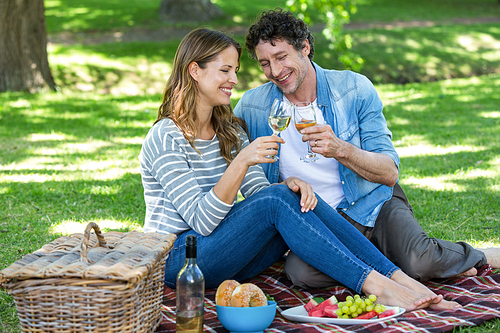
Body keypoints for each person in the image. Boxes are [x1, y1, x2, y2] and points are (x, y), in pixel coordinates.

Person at [138, 28, 459, 311]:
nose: (234, 80)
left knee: (290, 194)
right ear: (194, 70)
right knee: (279, 198)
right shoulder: (166, 136)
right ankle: (377, 286)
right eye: (224, 70)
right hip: (182, 258)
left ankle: (401, 279)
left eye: (235, 70)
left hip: (227, 253)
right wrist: (242, 161)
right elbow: (201, 222)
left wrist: (290, 183)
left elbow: (258, 197)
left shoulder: (229, 130)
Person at [233, 8, 500, 289]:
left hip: (374, 204)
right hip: (322, 222)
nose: (274, 71)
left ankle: (480, 256)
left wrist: (341, 149)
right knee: (302, 274)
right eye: (265, 63)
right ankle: (389, 260)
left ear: (305, 48)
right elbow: (221, 140)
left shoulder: (354, 88)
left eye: (281, 57)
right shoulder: (253, 106)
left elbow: (389, 173)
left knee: (422, 262)